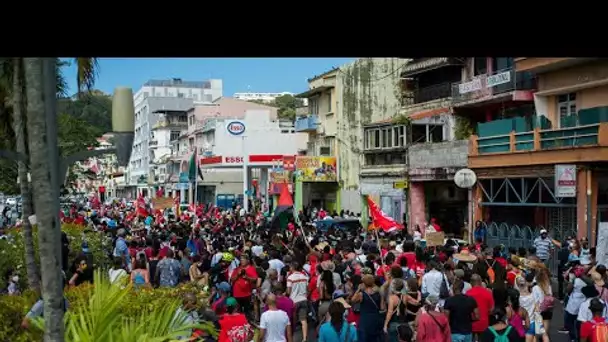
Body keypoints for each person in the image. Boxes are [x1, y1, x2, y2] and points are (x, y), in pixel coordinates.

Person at [351, 274, 383, 342]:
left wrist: (358, 289)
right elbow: (382, 307)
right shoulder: (378, 293)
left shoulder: (361, 294)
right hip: (375, 319)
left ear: (364, 283)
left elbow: (352, 300)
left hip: (365, 320)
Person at [286, 261, 310, 342]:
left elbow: (288, 291)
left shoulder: (290, 278)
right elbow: (307, 290)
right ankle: (304, 338)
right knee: (304, 320)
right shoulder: (304, 277)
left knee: (293, 319)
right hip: (303, 299)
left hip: (294, 301)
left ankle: (292, 336)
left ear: (292, 268)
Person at [467, 274, 494, 340]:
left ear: (471, 282)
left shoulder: (467, 293)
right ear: (480, 282)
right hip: (484, 323)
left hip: (471, 324)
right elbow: (491, 309)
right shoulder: (487, 293)